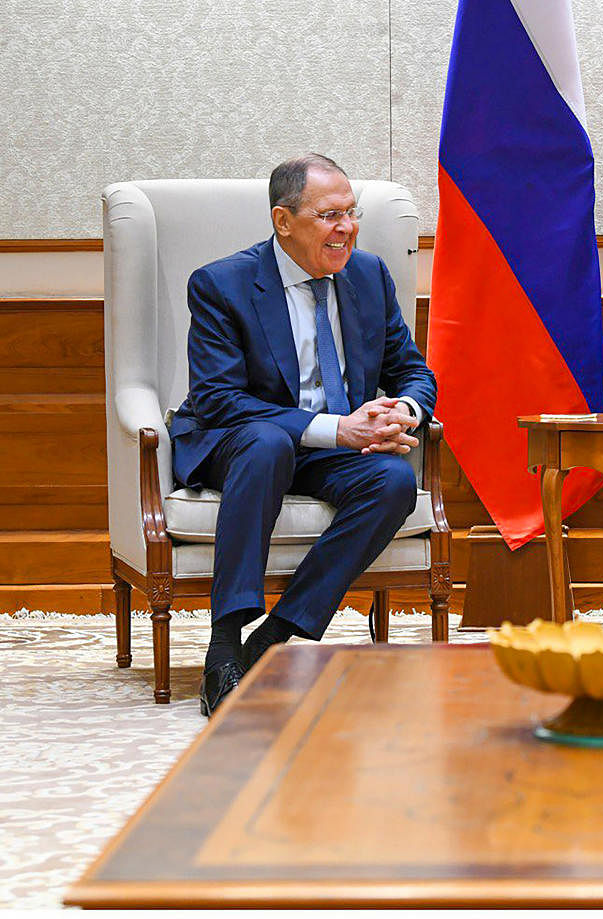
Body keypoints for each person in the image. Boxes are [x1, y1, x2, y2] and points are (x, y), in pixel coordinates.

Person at [168, 153, 436, 716]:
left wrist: (403, 411)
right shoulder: (223, 284)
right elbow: (219, 399)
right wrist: (337, 428)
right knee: (269, 444)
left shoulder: (367, 275)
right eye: (329, 215)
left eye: (351, 213)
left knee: (391, 480)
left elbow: (411, 368)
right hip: (239, 439)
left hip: (329, 446)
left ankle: (274, 637)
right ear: (283, 221)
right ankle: (223, 648)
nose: (346, 229)